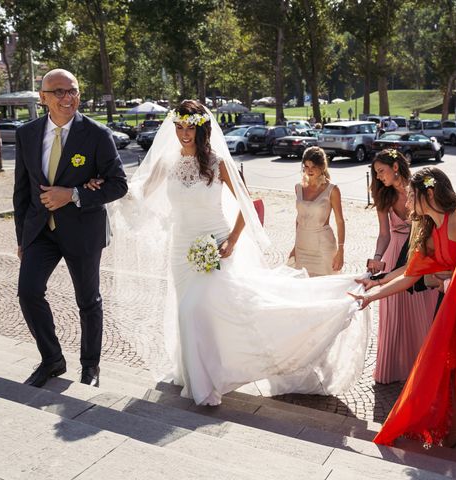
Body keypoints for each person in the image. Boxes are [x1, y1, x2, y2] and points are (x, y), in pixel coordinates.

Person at [97, 100, 370, 406]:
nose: (185, 133)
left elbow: (247, 205)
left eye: (191, 127)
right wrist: (108, 186)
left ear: (201, 129)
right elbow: (139, 194)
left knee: (194, 309)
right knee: (194, 313)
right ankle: (194, 371)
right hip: (180, 249)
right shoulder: (167, 163)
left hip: (215, 245)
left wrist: (233, 241)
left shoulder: (218, 164)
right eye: (180, 127)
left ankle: (204, 384)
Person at [351, 167, 456, 457]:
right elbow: (410, 276)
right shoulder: (427, 231)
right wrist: (371, 296)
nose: (406, 203)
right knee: (452, 366)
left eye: (412, 196)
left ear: (429, 193)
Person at [13, 68, 128, 389]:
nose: (67, 98)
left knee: (88, 300)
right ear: (43, 98)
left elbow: (118, 185)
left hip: (83, 231)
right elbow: (21, 192)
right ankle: (52, 359)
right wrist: (22, 238)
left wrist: (74, 194)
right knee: (28, 292)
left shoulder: (97, 135)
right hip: (40, 232)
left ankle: (90, 367)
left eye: (73, 91)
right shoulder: (27, 134)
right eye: (59, 92)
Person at [367, 150, 439, 384]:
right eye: (376, 173)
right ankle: (394, 369)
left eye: (381, 171)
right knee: (395, 312)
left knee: (422, 310)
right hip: (394, 252)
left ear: (395, 166)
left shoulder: (421, 187)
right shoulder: (383, 196)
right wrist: (378, 257)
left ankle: (422, 369)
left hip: (422, 251)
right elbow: (383, 234)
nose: (378, 177)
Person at [289, 147, 345, 276]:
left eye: (313, 166)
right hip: (302, 246)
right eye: (306, 166)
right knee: (302, 289)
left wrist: (341, 250)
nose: (309, 170)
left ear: (322, 166)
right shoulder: (298, 187)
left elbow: (340, 221)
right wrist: (295, 247)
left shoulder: (333, 190)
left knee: (324, 288)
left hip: (323, 247)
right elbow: (299, 218)